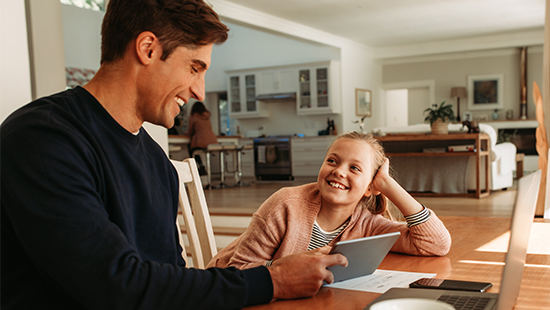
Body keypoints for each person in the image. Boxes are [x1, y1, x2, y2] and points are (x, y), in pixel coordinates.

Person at [0, 0, 347, 309]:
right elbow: (114, 286)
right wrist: (273, 281)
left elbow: (167, 278)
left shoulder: (156, 161)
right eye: (194, 67)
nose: (199, 90)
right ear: (148, 48)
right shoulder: (42, 138)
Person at [208, 132, 452, 269]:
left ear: (370, 187)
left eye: (355, 168)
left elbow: (436, 244)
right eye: (332, 161)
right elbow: (236, 272)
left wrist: (389, 186)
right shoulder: (285, 204)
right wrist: (289, 267)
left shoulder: (368, 225)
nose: (339, 171)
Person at [186, 101, 218, 172]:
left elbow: (190, 130)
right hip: (212, 141)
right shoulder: (207, 116)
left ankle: (199, 166)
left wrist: (187, 133)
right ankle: (201, 166)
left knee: (192, 149)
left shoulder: (194, 116)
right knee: (194, 149)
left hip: (201, 141)